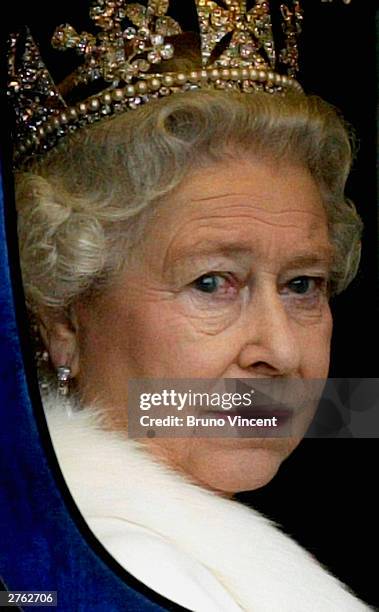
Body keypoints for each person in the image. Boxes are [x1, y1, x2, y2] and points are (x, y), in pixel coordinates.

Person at [10, 2, 372, 610]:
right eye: (212, 283)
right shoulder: (126, 572)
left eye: (303, 284)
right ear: (64, 317)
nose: (280, 353)